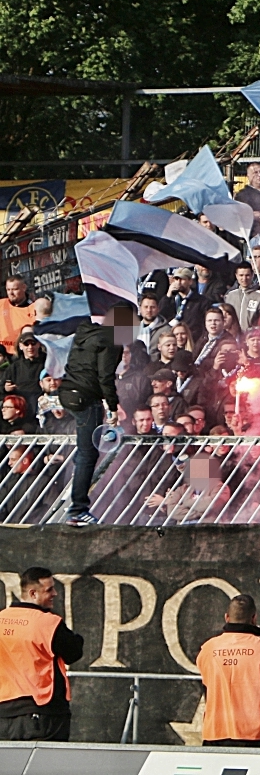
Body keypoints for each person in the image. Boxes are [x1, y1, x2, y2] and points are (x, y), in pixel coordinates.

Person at [57, 304, 128, 526]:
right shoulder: (111, 340)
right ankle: (78, 509)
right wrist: (113, 407)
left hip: (67, 392)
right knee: (89, 454)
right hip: (86, 397)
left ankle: (76, 485)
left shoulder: (84, 330)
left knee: (84, 449)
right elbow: (105, 377)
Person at [0, 567, 85, 741]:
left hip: (4, 714)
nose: (54, 593)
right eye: (49, 590)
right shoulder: (47, 623)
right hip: (42, 713)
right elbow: (74, 652)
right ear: (33, 593)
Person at [195, 593, 260, 747]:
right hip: (254, 732)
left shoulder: (208, 648)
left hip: (216, 730)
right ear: (254, 618)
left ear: (227, 617)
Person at [0, 277, 35, 354]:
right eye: (8, 290)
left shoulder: (33, 308)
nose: (11, 293)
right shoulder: (1, 304)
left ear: (24, 288)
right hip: (2, 354)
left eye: (15, 289)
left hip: (20, 354)